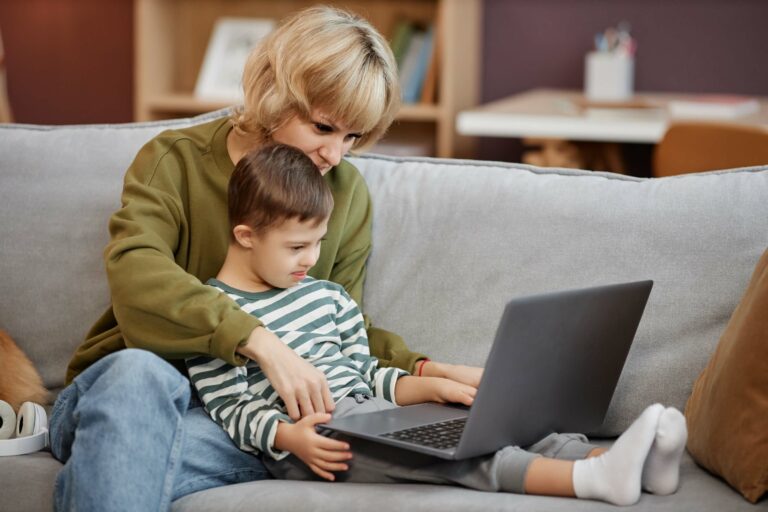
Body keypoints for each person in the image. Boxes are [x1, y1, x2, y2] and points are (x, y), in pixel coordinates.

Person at [49, 6, 479, 511]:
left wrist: (428, 370)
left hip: (240, 421)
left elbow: (340, 326)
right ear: (274, 94)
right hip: (140, 390)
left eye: (352, 137)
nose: (334, 156)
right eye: (323, 127)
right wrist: (262, 344)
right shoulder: (175, 161)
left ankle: (108, 466)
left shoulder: (346, 192)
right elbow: (136, 273)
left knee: (138, 464)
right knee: (137, 379)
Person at [188, 142, 689, 507]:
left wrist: (428, 387)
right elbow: (230, 407)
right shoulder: (213, 313)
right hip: (315, 442)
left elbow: (366, 371)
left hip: (375, 414)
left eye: (318, 243)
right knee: (449, 458)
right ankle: (592, 478)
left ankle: (638, 463)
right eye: (296, 247)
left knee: (478, 426)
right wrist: (287, 438)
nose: (311, 259)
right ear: (246, 236)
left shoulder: (327, 296)